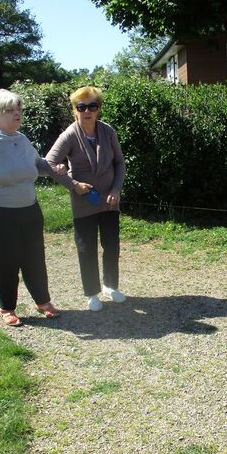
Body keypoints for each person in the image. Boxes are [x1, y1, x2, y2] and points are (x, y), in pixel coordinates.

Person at [0, 88, 65, 327]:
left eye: (18, 109)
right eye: (10, 110)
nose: (17, 113)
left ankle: (43, 302)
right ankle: (7, 308)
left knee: (34, 258)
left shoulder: (22, 138)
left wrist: (53, 169)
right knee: (5, 262)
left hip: (29, 209)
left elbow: (35, 165)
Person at [46, 86, 126, 312]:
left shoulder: (108, 131)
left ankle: (111, 285)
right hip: (84, 202)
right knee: (86, 247)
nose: (87, 111)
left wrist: (116, 189)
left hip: (109, 200)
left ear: (99, 108)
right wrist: (72, 184)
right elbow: (49, 164)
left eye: (92, 106)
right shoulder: (70, 134)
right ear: (74, 111)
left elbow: (119, 163)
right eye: (81, 107)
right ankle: (91, 293)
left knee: (111, 245)